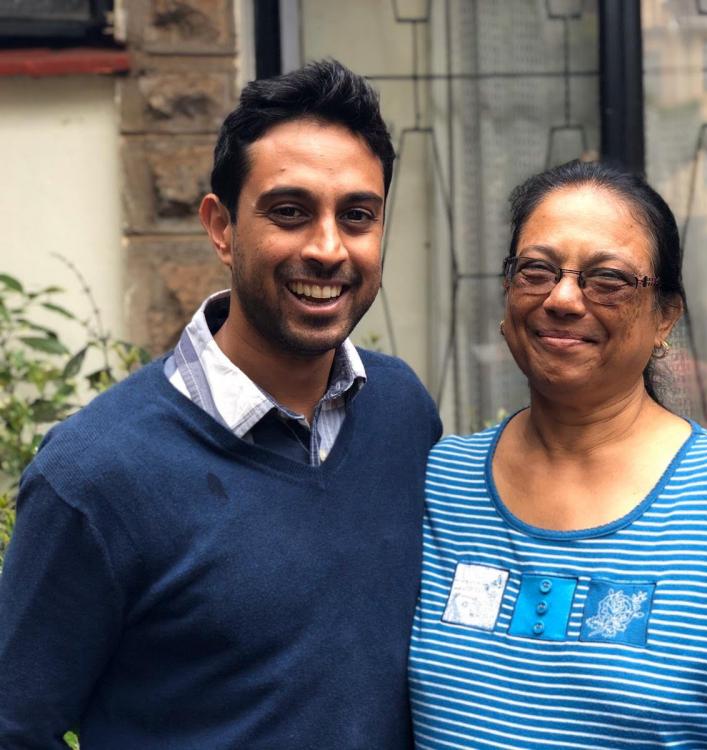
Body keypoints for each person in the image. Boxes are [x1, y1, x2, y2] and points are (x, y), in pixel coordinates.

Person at [0, 59, 441, 748]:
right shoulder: (95, 476)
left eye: (358, 216)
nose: (329, 249)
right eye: (290, 212)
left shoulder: (403, 412)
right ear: (221, 227)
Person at [409, 160, 707, 748]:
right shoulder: (443, 482)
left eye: (608, 279)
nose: (563, 299)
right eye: (537, 270)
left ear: (665, 317)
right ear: (508, 292)